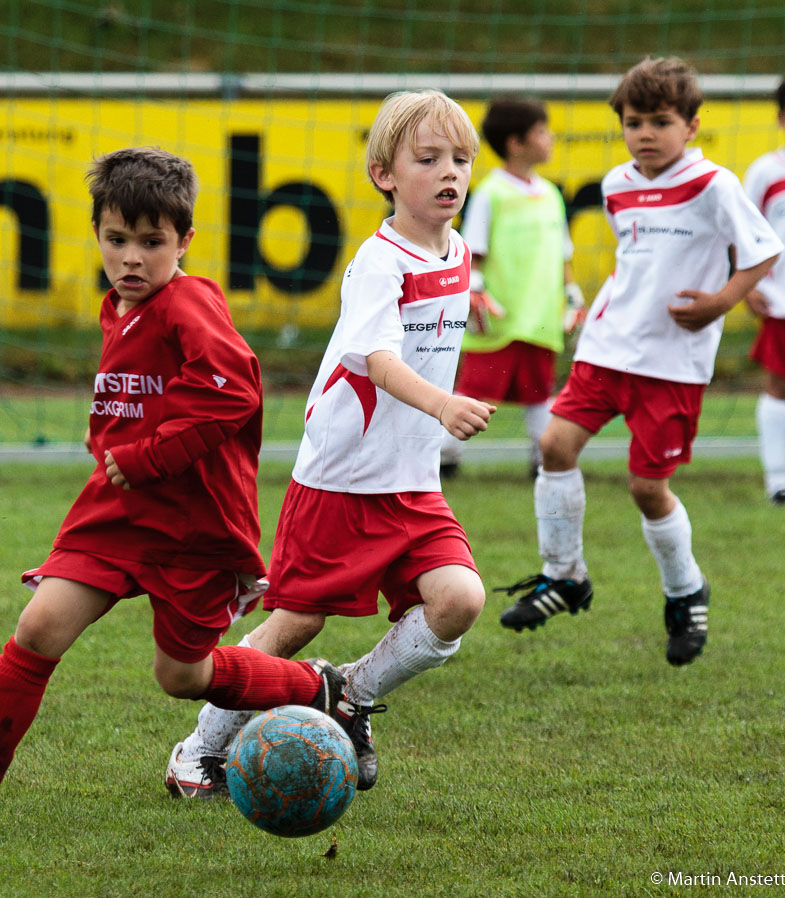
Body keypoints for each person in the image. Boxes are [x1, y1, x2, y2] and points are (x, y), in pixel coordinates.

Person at [0, 147, 348, 829]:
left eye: (152, 243)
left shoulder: (189, 303)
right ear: (97, 234)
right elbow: (142, 395)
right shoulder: (120, 307)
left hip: (193, 527)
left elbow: (233, 393)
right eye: (117, 239)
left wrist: (147, 454)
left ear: (185, 241)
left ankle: (320, 687)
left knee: (181, 677)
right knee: (39, 626)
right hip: (117, 515)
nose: (132, 257)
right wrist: (106, 442)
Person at [165, 90, 495, 798]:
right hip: (343, 478)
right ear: (384, 174)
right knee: (295, 622)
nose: (450, 173)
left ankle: (349, 694)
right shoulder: (377, 264)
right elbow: (377, 360)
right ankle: (197, 751)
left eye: (461, 160)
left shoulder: (459, 249)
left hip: (414, 482)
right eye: (429, 158)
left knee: (459, 600)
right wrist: (444, 405)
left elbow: (442, 306)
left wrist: (477, 301)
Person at [498, 57, 783, 666]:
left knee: (648, 488)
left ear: (692, 125)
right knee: (554, 446)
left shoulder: (715, 185)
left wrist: (720, 304)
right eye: (634, 122)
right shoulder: (618, 185)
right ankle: (564, 575)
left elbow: (763, 252)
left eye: (660, 121)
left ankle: (685, 592)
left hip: (673, 365)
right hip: (607, 350)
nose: (645, 133)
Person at [440, 98, 585, 479]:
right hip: (500, 318)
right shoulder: (491, 193)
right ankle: (442, 457)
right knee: (475, 390)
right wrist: (474, 292)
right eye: (541, 132)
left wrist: (573, 296)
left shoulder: (552, 195)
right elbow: (475, 252)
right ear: (515, 143)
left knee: (540, 393)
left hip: (540, 319)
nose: (550, 138)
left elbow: (562, 256)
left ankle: (544, 462)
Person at [742, 69, 785, 506]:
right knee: (780, 389)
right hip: (784, 303)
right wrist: (745, 288)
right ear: (782, 117)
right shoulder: (766, 171)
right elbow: (741, 233)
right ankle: (780, 478)